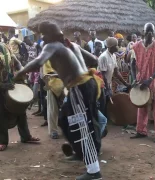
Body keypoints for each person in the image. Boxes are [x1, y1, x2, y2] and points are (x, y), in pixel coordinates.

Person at [14, 22, 102, 180]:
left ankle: (94, 171)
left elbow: (38, 62)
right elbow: (93, 59)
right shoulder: (71, 45)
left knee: (82, 126)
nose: (42, 38)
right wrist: (69, 71)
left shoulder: (51, 45)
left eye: (42, 35)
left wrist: (19, 73)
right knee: (65, 119)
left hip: (79, 88)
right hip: (89, 84)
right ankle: (79, 151)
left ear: (48, 35)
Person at [0, 42, 40, 152]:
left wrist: (22, 71)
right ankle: (2, 141)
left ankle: (26, 136)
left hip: (12, 84)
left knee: (21, 112)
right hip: (1, 87)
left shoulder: (5, 47)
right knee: (1, 115)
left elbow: (16, 62)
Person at [130, 23, 155, 143]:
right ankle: (141, 131)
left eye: (152, 31)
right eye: (148, 31)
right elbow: (132, 65)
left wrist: (150, 78)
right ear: (143, 31)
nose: (150, 33)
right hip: (141, 79)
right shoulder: (136, 46)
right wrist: (135, 78)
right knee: (141, 105)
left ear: (154, 33)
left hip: (154, 80)